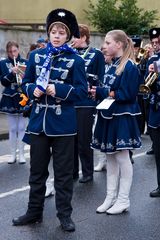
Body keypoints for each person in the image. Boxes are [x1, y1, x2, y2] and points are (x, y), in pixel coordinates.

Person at [12, 8, 87, 232]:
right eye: (53, 31)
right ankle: (34, 212)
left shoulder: (76, 60)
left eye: (61, 33)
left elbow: (82, 92)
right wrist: (32, 89)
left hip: (62, 124)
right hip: (38, 122)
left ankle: (65, 215)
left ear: (68, 36)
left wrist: (59, 89)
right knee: (37, 172)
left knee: (63, 175)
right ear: (48, 33)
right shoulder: (36, 56)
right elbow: (26, 82)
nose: (56, 35)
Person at [90, 30, 141, 214]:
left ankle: (123, 199)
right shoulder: (110, 65)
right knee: (110, 156)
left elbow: (127, 94)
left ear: (118, 44)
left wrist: (104, 92)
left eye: (108, 42)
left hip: (121, 116)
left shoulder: (130, 67)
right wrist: (103, 91)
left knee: (122, 157)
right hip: (108, 114)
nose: (104, 46)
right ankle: (110, 197)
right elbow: (109, 89)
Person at [71, 24, 105, 182]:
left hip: (86, 101)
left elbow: (101, 78)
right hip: (70, 101)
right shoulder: (69, 53)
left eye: (75, 37)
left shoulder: (96, 54)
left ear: (84, 37)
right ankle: (71, 171)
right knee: (70, 140)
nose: (72, 40)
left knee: (84, 139)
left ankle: (87, 172)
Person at [0, 41, 28, 164]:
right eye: (10, 52)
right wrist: (12, 72)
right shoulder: (3, 63)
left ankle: (21, 154)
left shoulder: (26, 63)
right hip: (9, 96)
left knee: (22, 127)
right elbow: (4, 82)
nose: (13, 54)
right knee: (12, 128)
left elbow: (29, 80)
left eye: (15, 51)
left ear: (18, 49)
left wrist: (21, 73)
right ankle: (12, 154)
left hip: (23, 96)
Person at [145, 28, 160, 197]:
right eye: (153, 43)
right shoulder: (153, 58)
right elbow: (146, 84)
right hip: (156, 109)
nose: (155, 46)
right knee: (158, 153)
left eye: (158, 43)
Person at [94, 43, 112, 172]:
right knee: (96, 132)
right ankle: (101, 160)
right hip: (100, 103)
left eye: (106, 54)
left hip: (113, 104)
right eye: (103, 55)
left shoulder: (116, 67)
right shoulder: (101, 67)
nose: (104, 57)